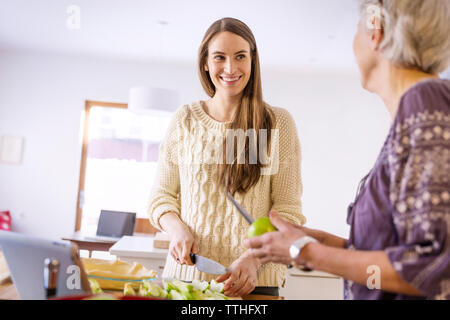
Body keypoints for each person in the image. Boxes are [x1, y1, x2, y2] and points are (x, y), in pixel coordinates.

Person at [245, 0, 450, 300]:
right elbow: (389, 262)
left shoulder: (424, 102)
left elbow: (433, 266)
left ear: (374, 31)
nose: (353, 45)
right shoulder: (419, 109)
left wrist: (307, 253)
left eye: (356, 29)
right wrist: (320, 244)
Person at [148, 17, 306, 297]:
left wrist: (254, 259)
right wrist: (177, 230)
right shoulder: (184, 120)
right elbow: (161, 197)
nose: (230, 68)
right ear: (205, 63)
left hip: (253, 282)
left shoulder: (277, 123)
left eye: (240, 56)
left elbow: (288, 211)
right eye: (219, 57)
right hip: (186, 279)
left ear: (252, 62)